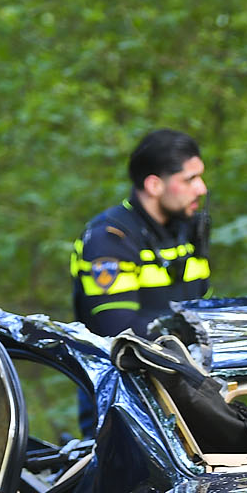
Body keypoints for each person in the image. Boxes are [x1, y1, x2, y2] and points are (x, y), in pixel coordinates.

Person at [72, 129, 211, 337]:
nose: (202, 189)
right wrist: (195, 331)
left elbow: (206, 307)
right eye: (190, 179)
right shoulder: (111, 238)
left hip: (186, 357)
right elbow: (119, 330)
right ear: (154, 185)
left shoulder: (187, 229)